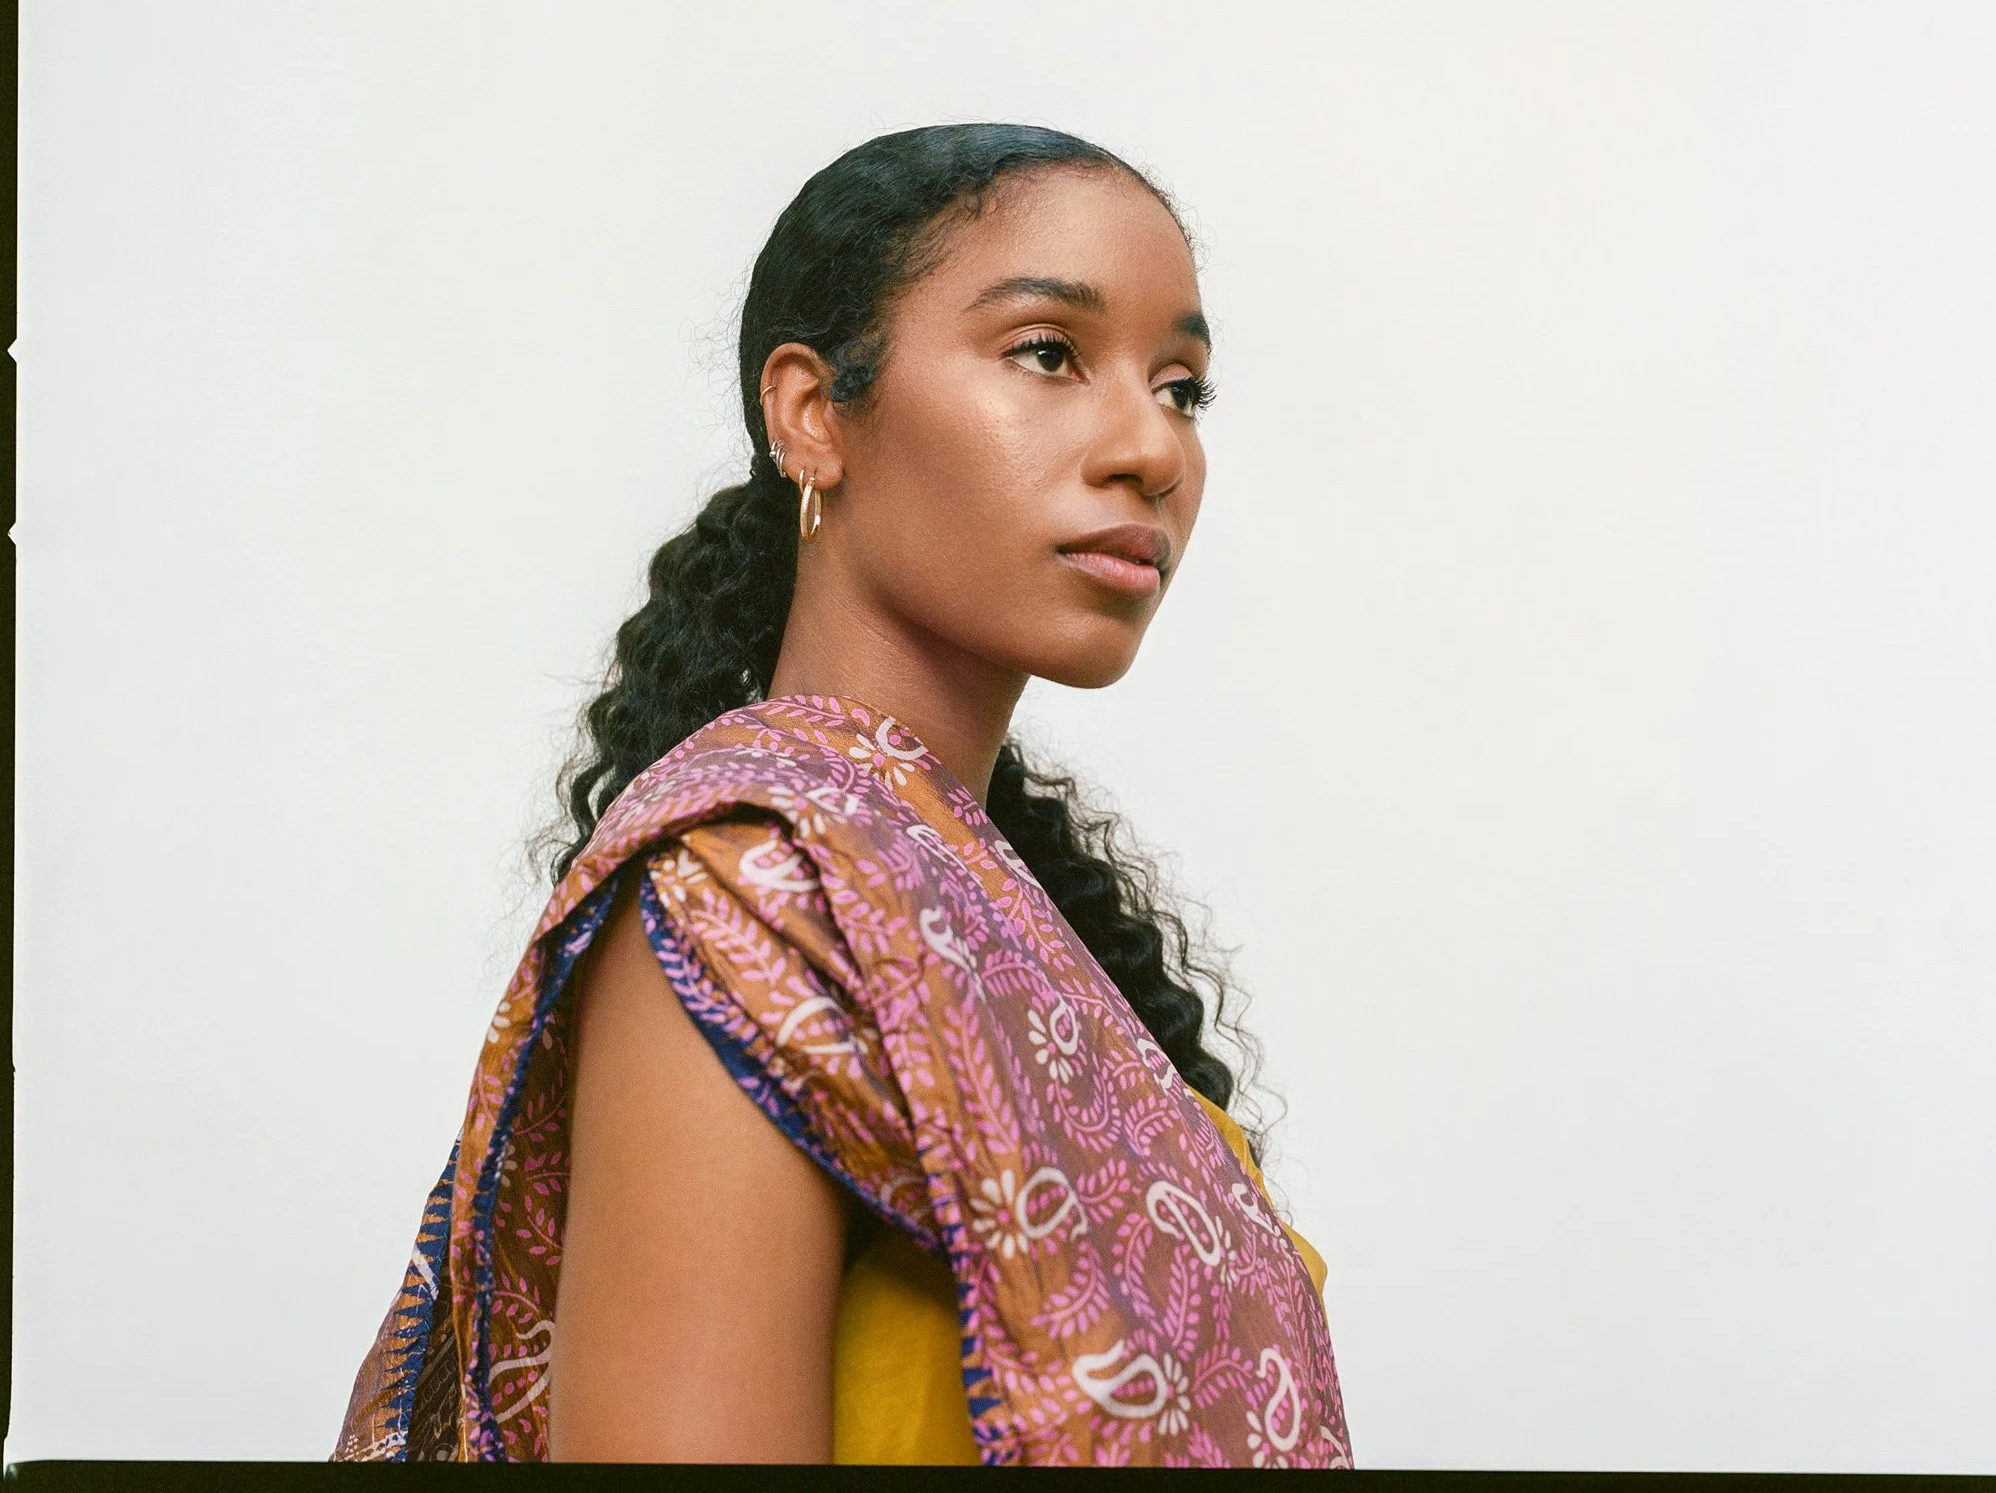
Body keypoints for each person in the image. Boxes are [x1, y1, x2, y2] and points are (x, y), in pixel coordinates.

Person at [333, 123, 1352, 1467]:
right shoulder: (754, 899)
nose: (1150, 448)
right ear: (813, 414)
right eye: (1049, 354)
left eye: (1182, 387)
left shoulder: (995, 913)